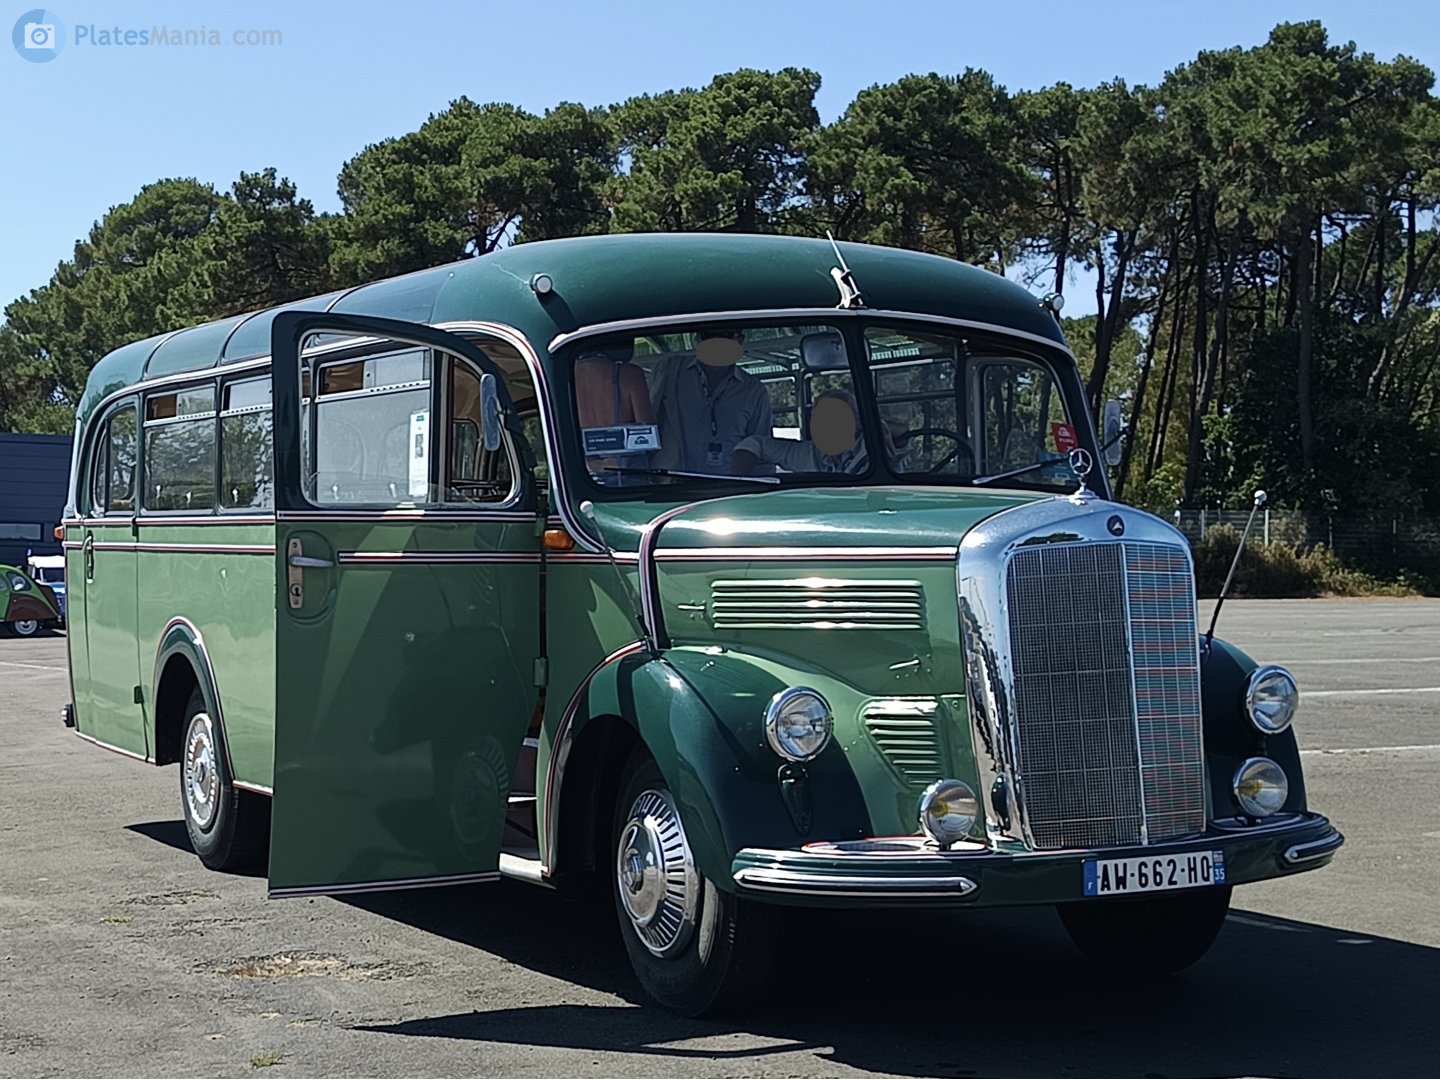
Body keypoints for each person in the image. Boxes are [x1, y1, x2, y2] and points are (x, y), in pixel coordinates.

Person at [649, 328, 772, 475]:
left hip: (728, 489)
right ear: (697, 340)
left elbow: (761, 448)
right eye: (708, 335)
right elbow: (645, 427)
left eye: (724, 336)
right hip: (671, 485)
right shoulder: (669, 371)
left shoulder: (754, 390)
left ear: (740, 341)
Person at [731, 388, 906, 476]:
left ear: (856, 420)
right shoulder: (808, 453)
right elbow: (755, 444)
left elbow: (902, 433)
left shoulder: (873, 445)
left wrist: (876, 427)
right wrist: (739, 482)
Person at [574, 340, 655, 481]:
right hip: (627, 474)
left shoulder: (565, 379)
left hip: (584, 476)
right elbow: (647, 432)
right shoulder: (629, 374)